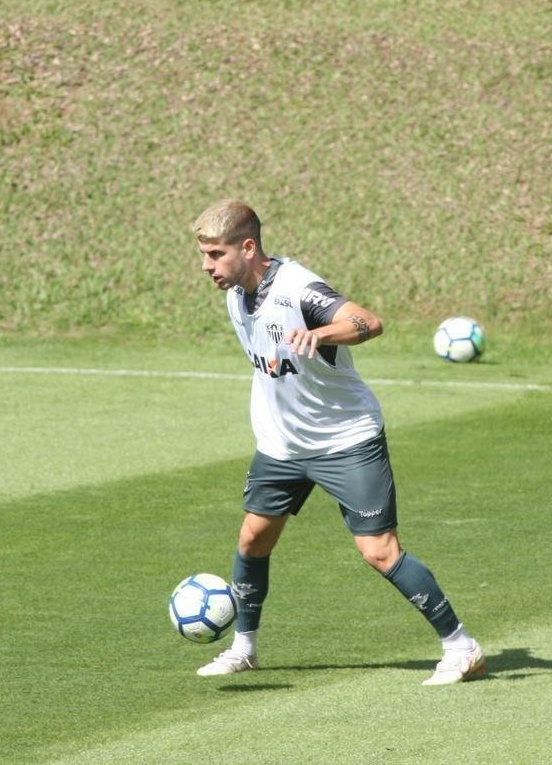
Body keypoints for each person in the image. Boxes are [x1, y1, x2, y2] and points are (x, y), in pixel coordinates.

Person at [190, 199, 485, 686]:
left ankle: (461, 646)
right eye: (203, 255)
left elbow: (369, 321)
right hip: (281, 444)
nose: (207, 266)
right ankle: (244, 648)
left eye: (215, 255)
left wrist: (322, 331)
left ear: (248, 247)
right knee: (252, 539)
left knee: (379, 551)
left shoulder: (298, 289)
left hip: (345, 440)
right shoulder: (236, 294)